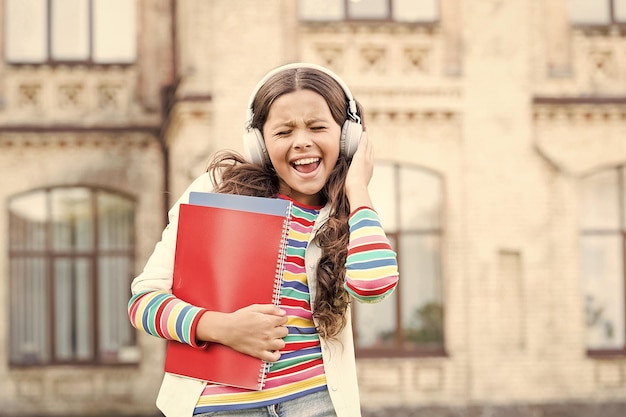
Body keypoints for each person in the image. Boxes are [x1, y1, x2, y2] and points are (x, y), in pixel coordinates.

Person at [128, 62, 399, 417]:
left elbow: (374, 286)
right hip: (219, 409)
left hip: (315, 404)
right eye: (284, 131)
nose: (302, 141)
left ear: (347, 137)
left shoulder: (347, 213)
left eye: (317, 127)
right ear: (259, 143)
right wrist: (223, 328)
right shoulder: (216, 192)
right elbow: (143, 303)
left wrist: (359, 189)